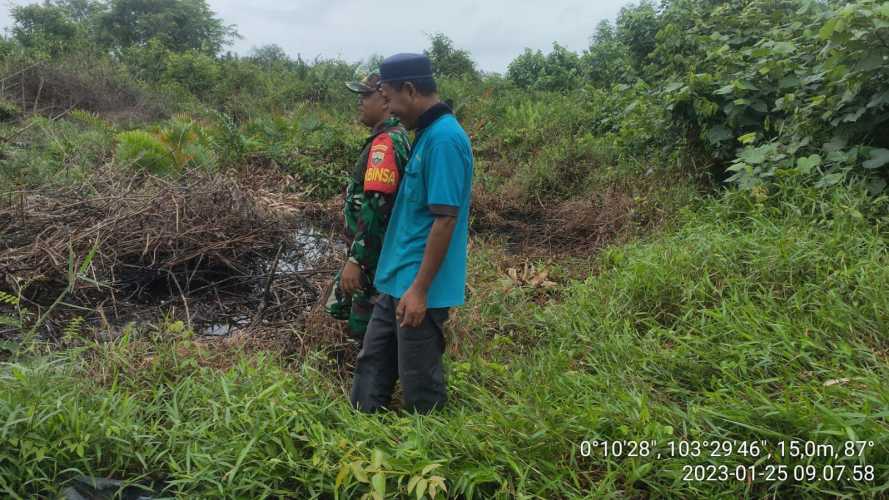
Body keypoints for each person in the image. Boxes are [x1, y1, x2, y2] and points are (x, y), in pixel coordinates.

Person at [350, 54, 473, 413]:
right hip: (396, 279)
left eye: (387, 97)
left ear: (409, 89)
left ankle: (430, 452)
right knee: (372, 361)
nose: (387, 108)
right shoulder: (426, 134)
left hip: (419, 287)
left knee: (419, 377)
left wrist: (419, 290)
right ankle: (359, 431)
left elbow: (445, 220)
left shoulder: (445, 140)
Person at [325, 73, 410, 343]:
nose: (359, 103)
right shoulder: (395, 136)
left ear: (385, 100)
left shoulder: (384, 145)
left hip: (373, 260)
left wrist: (357, 261)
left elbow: (377, 208)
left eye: (365, 96)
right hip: (378, 256)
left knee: (367, 331)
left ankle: (366, 380)